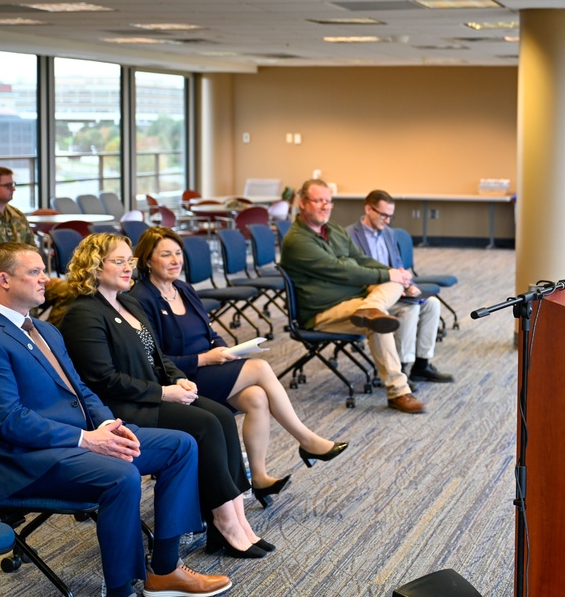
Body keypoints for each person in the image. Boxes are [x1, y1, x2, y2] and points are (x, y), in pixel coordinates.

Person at [0, 242, 231, 597]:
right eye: (34, 272)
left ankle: (164, 569)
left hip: (80, 440)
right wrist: (86, 439)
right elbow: (10, 422)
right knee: (122, 475)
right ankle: (120, 589)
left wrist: (108, 426)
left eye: (43, 270)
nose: (45, 281)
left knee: (180, 444)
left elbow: (81, 389)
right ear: (4, 280)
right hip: (27, 459)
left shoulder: (45, 330)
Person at [58, 233, 273, 559]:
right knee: (205, 425)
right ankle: (224, 521)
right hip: (122, 408)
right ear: (94, 266)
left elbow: (158, 356)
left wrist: (179, 379)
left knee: (223, 416)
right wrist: (163, 392)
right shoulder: (83, 314)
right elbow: (103, 380)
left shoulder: (127, 301)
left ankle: (237, 518)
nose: (128, 268)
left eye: (129, 261)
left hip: (153, 395)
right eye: (119, 261)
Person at [129, 226, 348, 508]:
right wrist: (205, 359)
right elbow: (156, 360)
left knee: (257, 397)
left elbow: (209, 331)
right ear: (148, 261)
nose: (175, 260)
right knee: (258, 369)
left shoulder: (182, 288)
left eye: (178, 253)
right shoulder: (142, 299)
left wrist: (226, 350)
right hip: (184, 379)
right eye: (166, 255)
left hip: (211, 368)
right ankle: (306, 440)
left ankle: (259, 477)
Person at [280, 179, 425, 414]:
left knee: (400, 298)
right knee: (378, 323)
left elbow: (359, 259)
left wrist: (393, 274)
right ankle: (398, 391)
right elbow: (341, 270)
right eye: (319, 201)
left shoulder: (333, 229)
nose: (325, 206)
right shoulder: (297, 240)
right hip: (323, 310)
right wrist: (387, 273)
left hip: (358, 299)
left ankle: (395, 359)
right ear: (303, 203)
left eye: (328, 201)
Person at [346, 189, 452, 383]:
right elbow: (352, 273)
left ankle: (421, 365)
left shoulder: (388, 233)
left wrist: (408, 284)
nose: (387, 221)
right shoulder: (350, 235)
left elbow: (397, 264)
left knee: (432, 304)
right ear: (368, 209)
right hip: (370, 294)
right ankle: (400, 369)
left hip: (396, 289)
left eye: (390, 217)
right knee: (410, 309)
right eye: (384, 215)